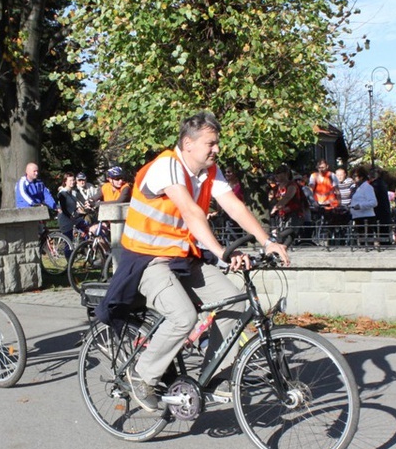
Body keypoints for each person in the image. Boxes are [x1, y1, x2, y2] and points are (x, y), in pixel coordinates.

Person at [96, 111, 289, 412]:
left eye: (217, 143)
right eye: (211, 143)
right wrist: (222, 252)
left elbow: (234, 206)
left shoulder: (210, 172)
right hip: (148, 261)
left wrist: (266, 241)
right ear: (188, 143)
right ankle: (141, 377)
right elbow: (190, 212)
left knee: (235, 302)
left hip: (184, 260)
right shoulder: (166, 166)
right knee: (183, 317)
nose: (217, 149)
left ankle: (213, 377)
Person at [269, 165, 304, 234]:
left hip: (294, 214)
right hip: (281, 215)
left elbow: (287, 197)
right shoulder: (276, 188)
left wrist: (276, 207)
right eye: (276, 173)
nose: (276, 175)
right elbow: (271, 199)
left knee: (287, 235)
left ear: (286, 174)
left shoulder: (292, 185)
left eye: (279, 172)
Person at [349, 166, 378, 246]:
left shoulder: (367, 187)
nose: (353, 179)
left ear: (361, 177)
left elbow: (374, 202)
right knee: (361, 240)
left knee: (367, 240)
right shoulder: (357, 188)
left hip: (366, 217)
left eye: (355, 176)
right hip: (358, 217)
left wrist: (360, 206)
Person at [57, 172, 87, 242]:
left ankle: (84, 246)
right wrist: (70, 216)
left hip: (73, 220)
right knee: (68, 243)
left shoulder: (72, 193)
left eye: (73, 180)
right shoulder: (62, 193)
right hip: (65, 221)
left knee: (86, 227)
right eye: (70, 180)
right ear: (65, 182)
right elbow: (63, 208)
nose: (72, 182)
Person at [369, 168, 392, 245]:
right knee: (384, 231)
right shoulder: (382, 183)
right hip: (384, 210)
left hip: (379, 211)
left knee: (382, 231)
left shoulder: (376, 184)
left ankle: (385, 245)